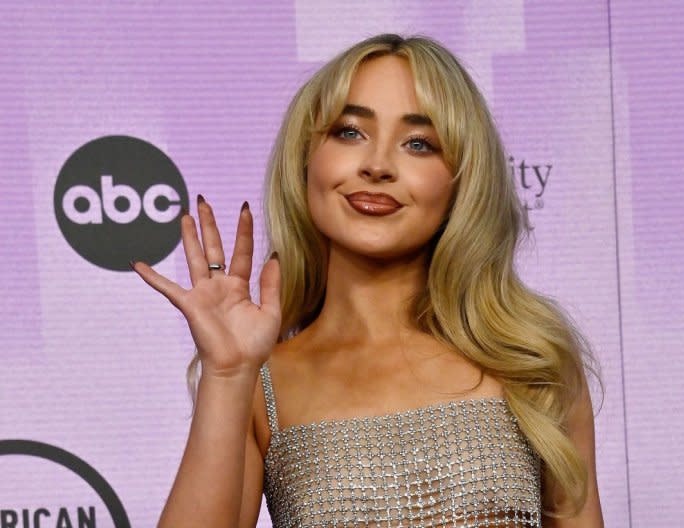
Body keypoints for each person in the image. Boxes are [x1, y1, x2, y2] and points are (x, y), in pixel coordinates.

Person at [131, 33, 604, 528]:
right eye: (350, 132)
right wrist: (227, 375)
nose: (377, 165)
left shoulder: (531, 361)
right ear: (306, 160)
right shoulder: (260, 383)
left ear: (463, 181)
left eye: (418, 143)